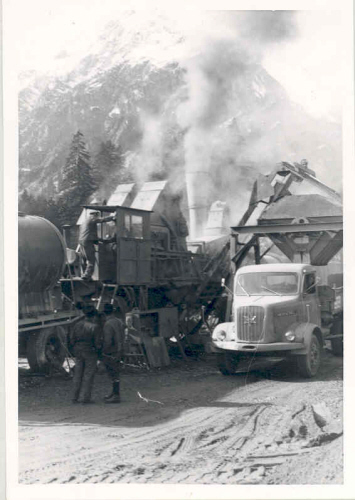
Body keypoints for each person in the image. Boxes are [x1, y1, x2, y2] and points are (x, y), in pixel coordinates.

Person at [69, 305, 102, 404]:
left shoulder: (77, 325)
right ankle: (85, 398)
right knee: (88, 375)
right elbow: (97, 344)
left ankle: (74, 397)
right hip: (90, 351)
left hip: (78, 350)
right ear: (93, 316)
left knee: (78, 374)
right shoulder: (95, 327)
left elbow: (72, 339)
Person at [78, 211, 115, 280]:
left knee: (84, 259)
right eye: (97, 215)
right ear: (95, 215)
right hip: (88, 242)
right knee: (91, 260)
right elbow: (102, 220)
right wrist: (113, 217)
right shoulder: (92, 219)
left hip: (81, 241)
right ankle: (87, 276)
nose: (98, 217)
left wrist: (100, 240)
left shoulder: (84, 222)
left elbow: (88, 233)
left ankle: (83, 274)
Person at [100, 303, 125, 404]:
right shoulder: (119, 321)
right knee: (116, 373)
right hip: (119, 349)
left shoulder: (108, 324)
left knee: (113, 374)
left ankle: (116, 395)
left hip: (111, 351)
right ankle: (114, 393)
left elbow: (108, 341)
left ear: (104, 313)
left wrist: (103, 350)